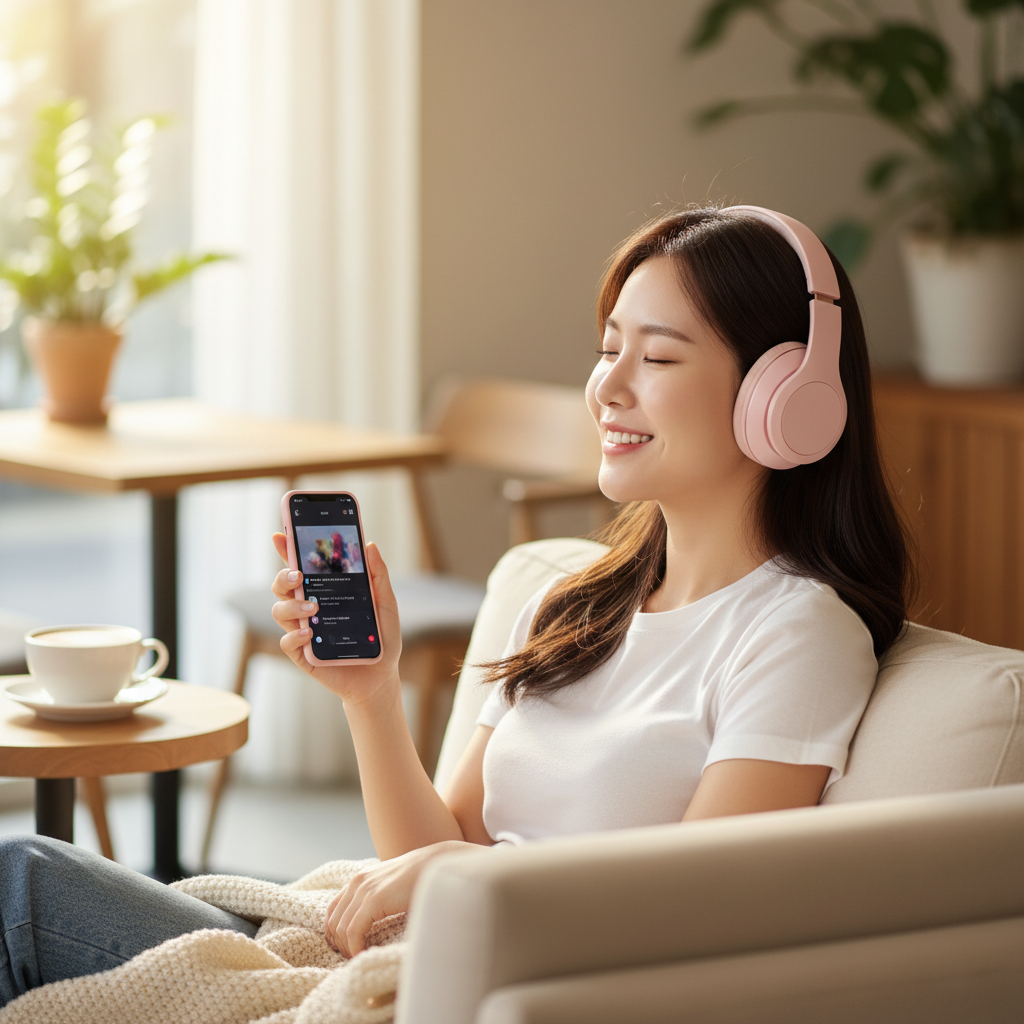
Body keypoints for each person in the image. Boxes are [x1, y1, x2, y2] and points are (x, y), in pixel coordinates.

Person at [0, 205, 911, 1006]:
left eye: (659, 355)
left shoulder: (796, 631)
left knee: (21, 887)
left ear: (784, 399)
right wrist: (372, 695)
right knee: (27, 878)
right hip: (404, 964)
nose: (610, 386)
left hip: (494, 993)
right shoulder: (568, 601)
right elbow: (424, 856)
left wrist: (469, 877)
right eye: (608, 350)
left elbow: (696, 907)